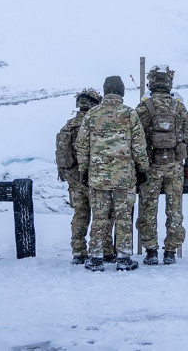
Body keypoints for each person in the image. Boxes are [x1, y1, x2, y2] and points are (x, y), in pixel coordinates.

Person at [74, 75, 150, 272]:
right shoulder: (130, 114)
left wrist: (84, 170)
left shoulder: (92, 114)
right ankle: (124, 258)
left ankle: (96, 257)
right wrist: (142, 169)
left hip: (98, 178)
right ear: (122, 92)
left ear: (106, 91)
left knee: (99, 218)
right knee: (123, 218)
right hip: (124, 178)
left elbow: (81, 146)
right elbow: (139, 146)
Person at [135, 65, 188, 266]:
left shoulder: (143, 107)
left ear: (151, 82)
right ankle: (171, 251)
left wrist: (139, 166)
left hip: (150, 168)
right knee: (174, 210)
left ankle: (151, 251)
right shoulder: (178, 106)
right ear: (168, 82)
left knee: (148, 209)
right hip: (174, 166)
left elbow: (135, 138)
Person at [55, 87, 115, 264]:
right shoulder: (94, 124)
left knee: (80, 213)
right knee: (103, 214)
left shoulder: (69, 125)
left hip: (74, 178)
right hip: (94, 177)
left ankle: (78, 251)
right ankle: (105, 249)